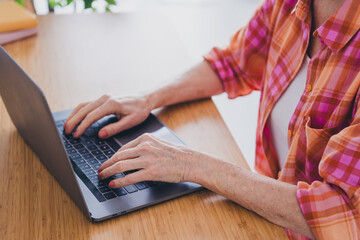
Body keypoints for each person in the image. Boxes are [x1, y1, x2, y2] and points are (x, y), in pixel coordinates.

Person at [64, 0, 360, 239]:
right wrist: (148, 98)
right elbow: (233, 63)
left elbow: (342, 212)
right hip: (262, 213)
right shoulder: (289, 5)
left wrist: (195, 165)